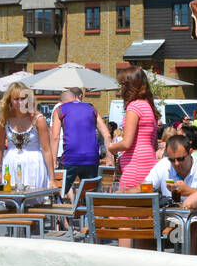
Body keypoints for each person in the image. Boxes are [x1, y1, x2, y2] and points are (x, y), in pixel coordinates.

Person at [49, 87, 112, 197]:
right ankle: (86, 213)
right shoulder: (91, 108)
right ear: (76, 98)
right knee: (90, 195)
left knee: (61, 192)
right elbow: (107, 134)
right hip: (91, 158)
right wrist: (109, 156)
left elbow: (55, 137)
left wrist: (54, 160)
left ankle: (63, 212)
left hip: (70, 157)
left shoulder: (60, 110)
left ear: (61, 102)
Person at [105, 67, 158, 196]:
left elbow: (127, 143)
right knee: (142, 212)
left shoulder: (134, 107)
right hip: (149, 163)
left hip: (135, 166)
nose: (120, 89)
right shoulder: (148, 106)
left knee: (122, 211)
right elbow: (153, 143)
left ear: (129, 86)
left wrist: (111, 147)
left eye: (122, 85)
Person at [0, 82, 55, 190]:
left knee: (34, 202)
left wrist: (52, 179)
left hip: (34, 166)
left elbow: (47, 150)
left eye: (23, 98)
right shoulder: (4, 119)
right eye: (16, 99)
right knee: (10, 203)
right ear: (10, 100)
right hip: (11, 165)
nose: (20, 102)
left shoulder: (38, 119)